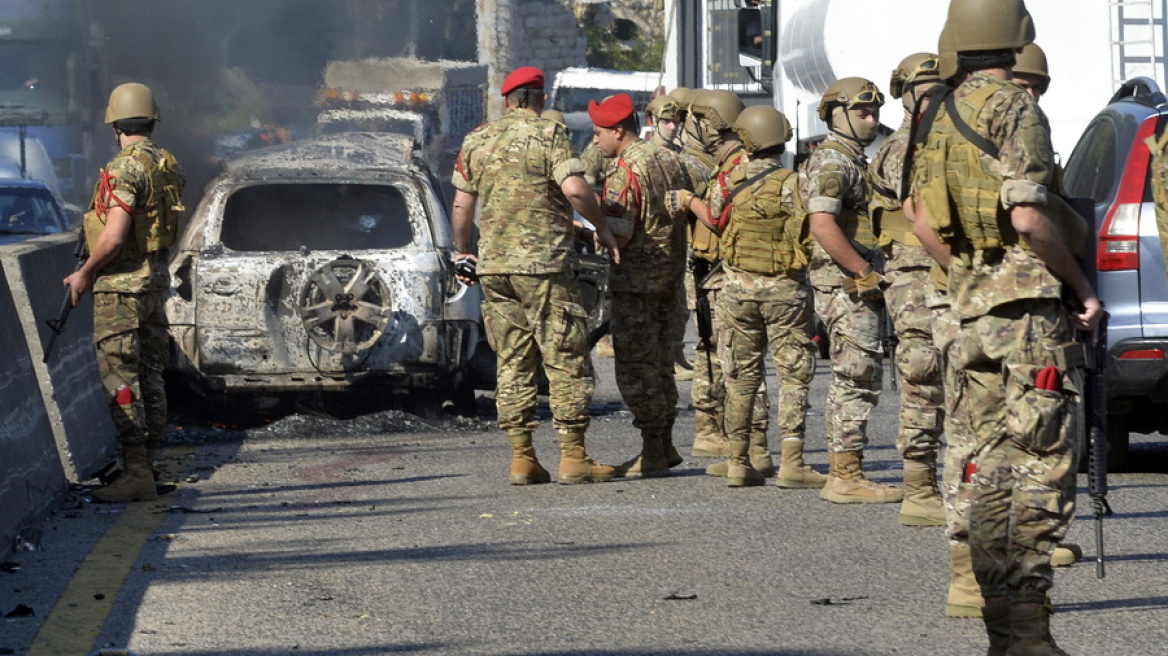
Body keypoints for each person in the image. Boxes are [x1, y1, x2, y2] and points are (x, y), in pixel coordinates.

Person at [910, 2, 1102, 652]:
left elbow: (921, 218)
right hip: (1027, 325)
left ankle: (1001, 630)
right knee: (1039, 472)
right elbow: (1026, 217)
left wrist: (968, 281)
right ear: (1017, 37)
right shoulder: (1015, 107)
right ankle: (1028, 636)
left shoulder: (934, 114)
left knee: (983, 472)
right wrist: (1078, 284)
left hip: (966, 318)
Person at [450, 66, 621, 486]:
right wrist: (602, 228)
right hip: (544, 266)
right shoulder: (549, 135)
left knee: (512, 361)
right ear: (540, 98)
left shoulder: (476, 139)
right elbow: (577, 191)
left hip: (496, 268)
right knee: (563, 357)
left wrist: (463, 251)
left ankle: (522, 457)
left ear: (507, 100)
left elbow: (461, 208)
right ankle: (573, 456)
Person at [682, 106, 824, 488]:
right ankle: (792, 461)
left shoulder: (727, 182)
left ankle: (739, 461)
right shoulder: (794, 183)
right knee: (793, 377)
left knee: (741, 378)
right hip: (785, 292)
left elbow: (713, 221)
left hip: (736, 292)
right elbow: (811, 232)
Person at [62, 83, 185, 503]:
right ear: (151, 121)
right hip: (152, 286)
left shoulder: (124, 169)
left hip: (121, 290)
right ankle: (147, 466)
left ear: (116, 125)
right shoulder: (164, 162)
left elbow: (113, 239)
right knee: (150, 376)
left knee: (120, 378)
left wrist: (84, 273)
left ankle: (136, 473)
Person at [801, 77, 903, 504]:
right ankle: (845, 475)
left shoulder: (852, 159)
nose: (872, 118)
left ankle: (847, 469)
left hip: (853, 283)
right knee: (855, 375)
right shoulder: (832, 162)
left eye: (875, 110)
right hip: (846, 286)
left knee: (860, 375)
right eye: (862, 111)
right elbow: (821, 224)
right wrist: (864, 272)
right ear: (836, 114)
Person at [588, 93, 691, 478]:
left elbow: (619, 231)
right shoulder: (669, 159)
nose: (596, 141)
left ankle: (651, 448)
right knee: (662, 363)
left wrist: (587, 231)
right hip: (670, 276)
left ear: (618, 131)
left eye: (599, 133)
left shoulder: (624, 171)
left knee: (635, 367)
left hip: (636, 283)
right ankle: (664, 443)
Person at [870, 53, 947, 523]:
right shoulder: (904, 149)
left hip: (944, 271)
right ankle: (920, 487)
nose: (934, 95)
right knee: (922, 378)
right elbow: (919, 218)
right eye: (924, 88)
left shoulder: (944, 141)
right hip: (917, 276)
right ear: (905, 94)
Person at [682, 89, 773, 474]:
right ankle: (745, 444)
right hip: (718, 273)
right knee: (723, 355)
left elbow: (718, 218)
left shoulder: (734, 168)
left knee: (740, 362)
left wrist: (687, 201)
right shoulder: (730, 163)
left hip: (730, 275)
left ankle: (753, 447)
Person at [646, 92, 696, 383]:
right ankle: (666, 357)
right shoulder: (647, 153)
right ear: (654, 122)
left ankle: (675, 355)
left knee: (681, 305)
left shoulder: (681, 154)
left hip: (681, 237)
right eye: (666, 121)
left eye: (675, 121)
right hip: (656, 239)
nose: (672, 126)